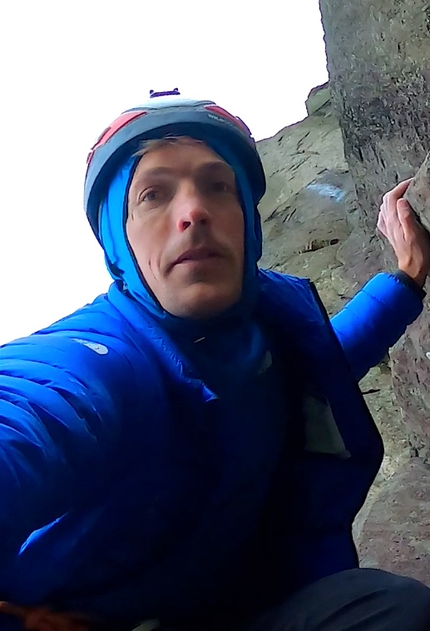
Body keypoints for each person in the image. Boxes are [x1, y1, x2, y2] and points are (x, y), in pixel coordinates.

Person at [0, 89, 429, 631]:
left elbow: (323, 364)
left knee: (391, 609)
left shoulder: (268, 331)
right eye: (153, 195)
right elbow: (28, 414)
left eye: (217, 186)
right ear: (117, 241)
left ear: (248, 222)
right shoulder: (95, 359)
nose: (194, 211)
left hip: (230, 608)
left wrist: (404, 278)